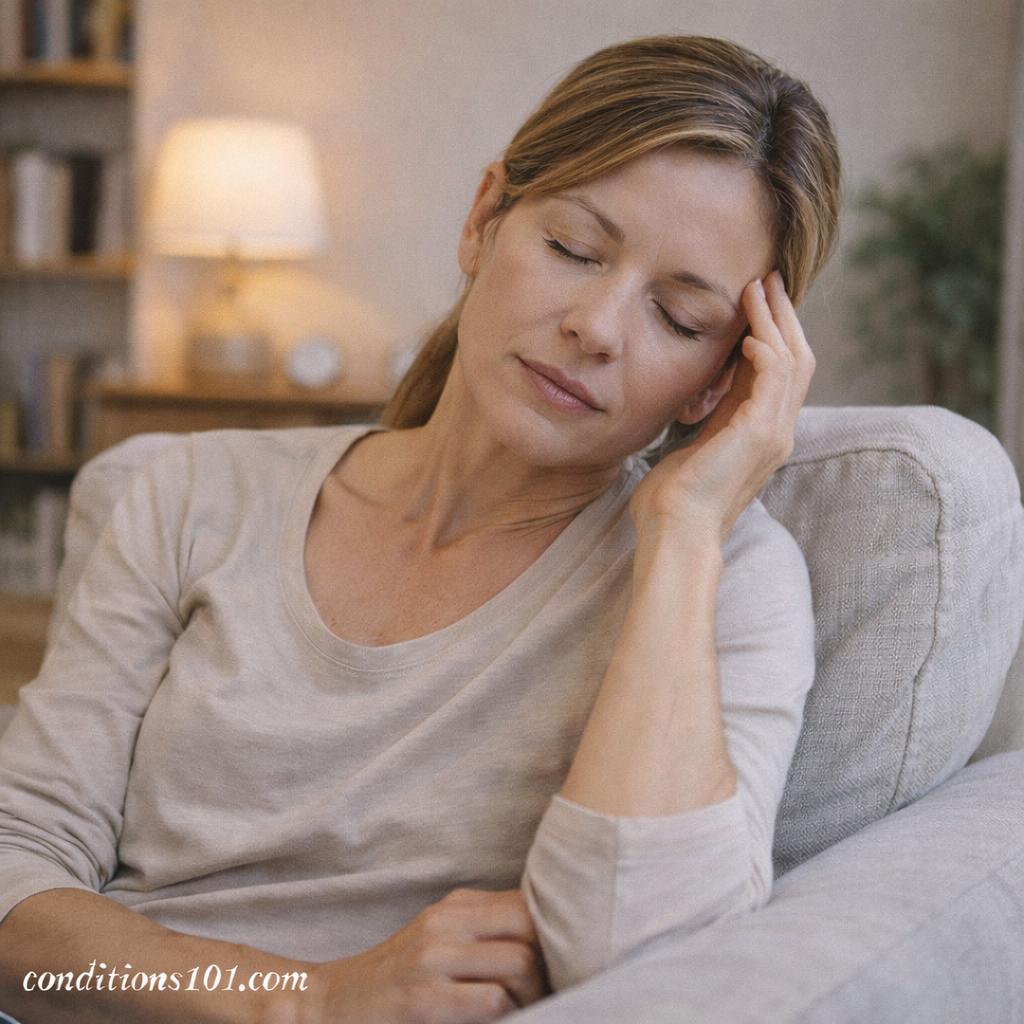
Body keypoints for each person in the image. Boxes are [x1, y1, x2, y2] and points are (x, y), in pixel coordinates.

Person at [0, 34, 841, 1024]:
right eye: (573, 248)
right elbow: (17, 898)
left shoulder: (725, 578)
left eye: (681, 320)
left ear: (726, 378)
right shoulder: (189, 490)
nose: (599, 326)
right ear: (486, 218)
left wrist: (687, 527)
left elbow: (640, 962)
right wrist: (307, 999)